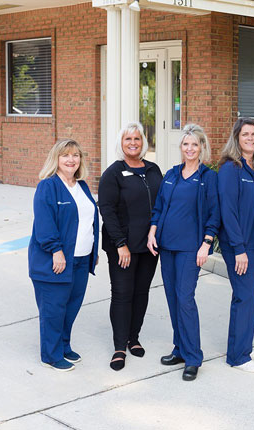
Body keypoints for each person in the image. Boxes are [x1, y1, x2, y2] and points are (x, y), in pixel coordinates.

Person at [147, 124, 219, 381]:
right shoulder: (171, 174)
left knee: (185, 298)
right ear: (181, 148)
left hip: (191, 248)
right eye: (186, 144)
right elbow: (159, 206)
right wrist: (152, 231)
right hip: (167, 246)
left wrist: (206, 244)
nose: (190, 148)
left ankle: (193, 357)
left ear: (202, 148)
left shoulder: (208, 177)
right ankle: (179, 348)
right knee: (172, 298)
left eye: (195, 144)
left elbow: (214, 215)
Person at [28, 139, 98, 372]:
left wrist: (93, 251)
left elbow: (90, 221)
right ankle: (50, 354)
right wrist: (56, 251)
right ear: (56, 159)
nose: (71, 160)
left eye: (76, 155)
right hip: (55, 261)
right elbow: (45, 226)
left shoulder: (82, 186)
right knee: (53, 309)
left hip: (80, 259)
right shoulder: (48, 187)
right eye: (66, 155)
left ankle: (63, 345)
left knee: (71, 307)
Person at [98, 122, 163, 371]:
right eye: (128, 139)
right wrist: (120, 244)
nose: (133, 143)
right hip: (122, 247)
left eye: (137, 139)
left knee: (141, 292)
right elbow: (107, 211)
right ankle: (118, 347)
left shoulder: (153, 169)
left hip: (149, 245)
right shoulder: (113, 173)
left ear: (143, 142)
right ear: (121, 143)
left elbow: (162, 203)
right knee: (122, 294)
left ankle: (133, 337)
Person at [217, 118, 254, 373]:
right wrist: (238, 248)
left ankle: (245, 346)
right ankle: (237, 356)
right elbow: (227, 211)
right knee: (244, 296)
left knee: (251, 296)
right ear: (236, 138)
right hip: (239, 246)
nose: (250, 138)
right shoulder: (230, 169)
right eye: (245, 134)